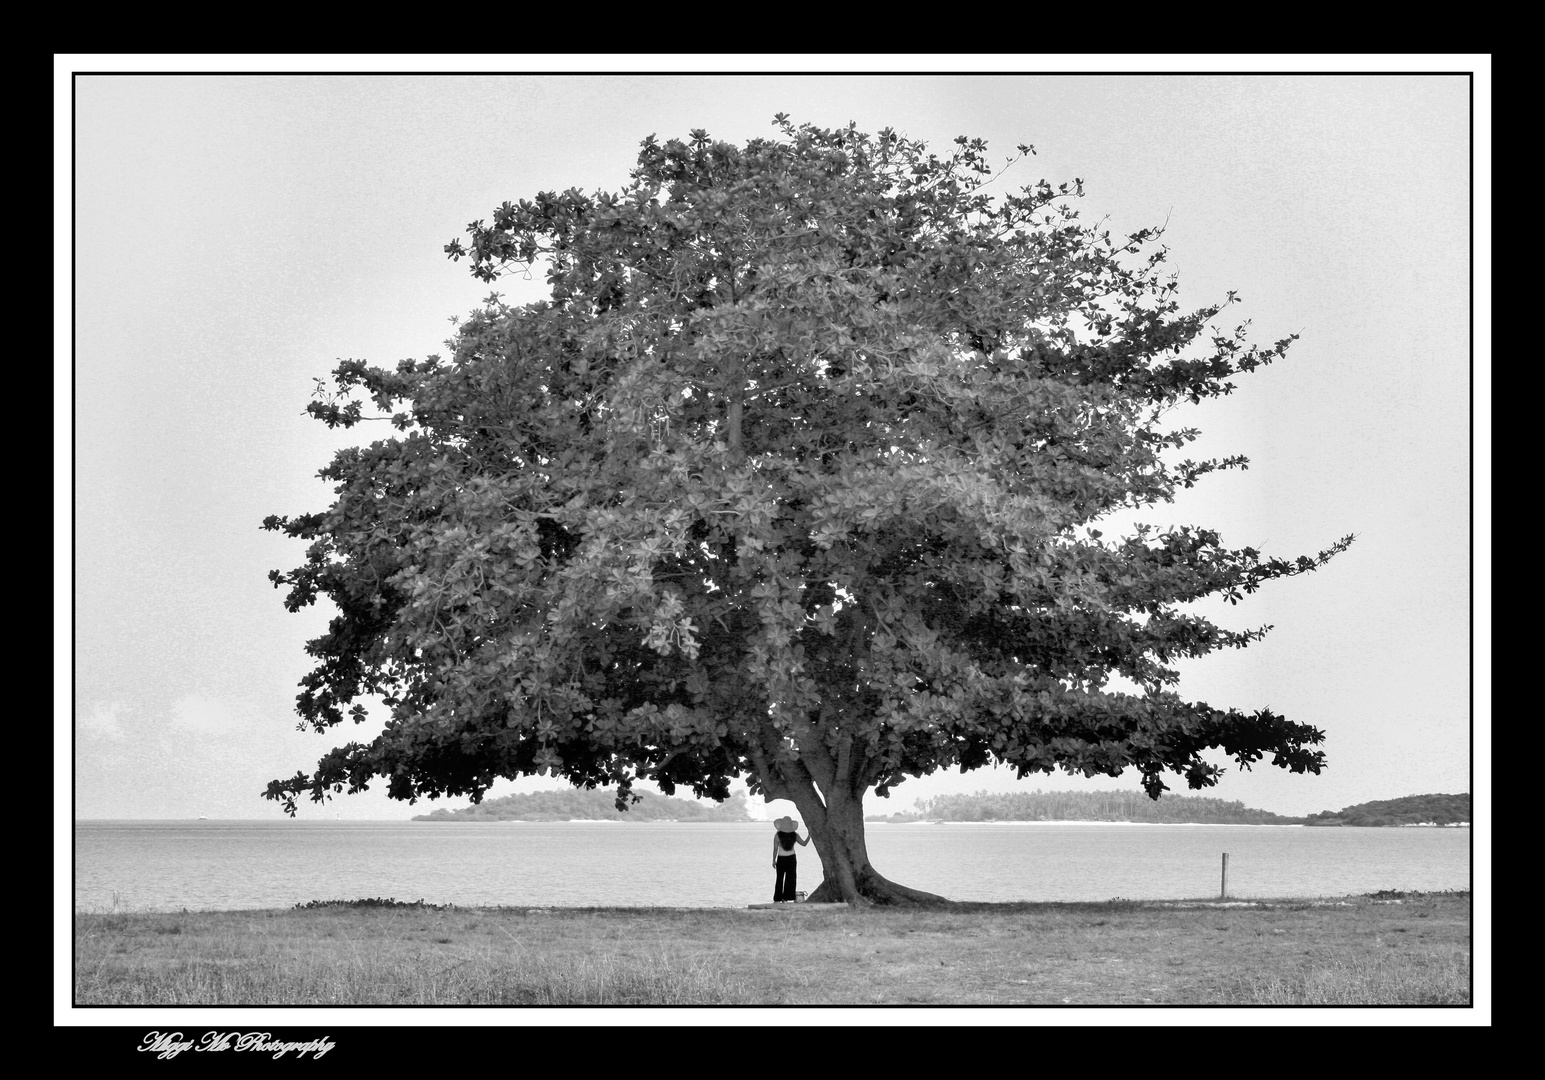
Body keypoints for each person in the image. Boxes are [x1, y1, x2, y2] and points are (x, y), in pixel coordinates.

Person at [771, 816, 809, 903]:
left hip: (781, 858)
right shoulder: (795, 835)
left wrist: (773, 860)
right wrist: (809, 836)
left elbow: (775, 850)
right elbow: (804, 843)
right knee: (790, 878)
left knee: (779, 878)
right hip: (791, 858)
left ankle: (777, 899)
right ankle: (786, 898)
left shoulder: (777, 835)